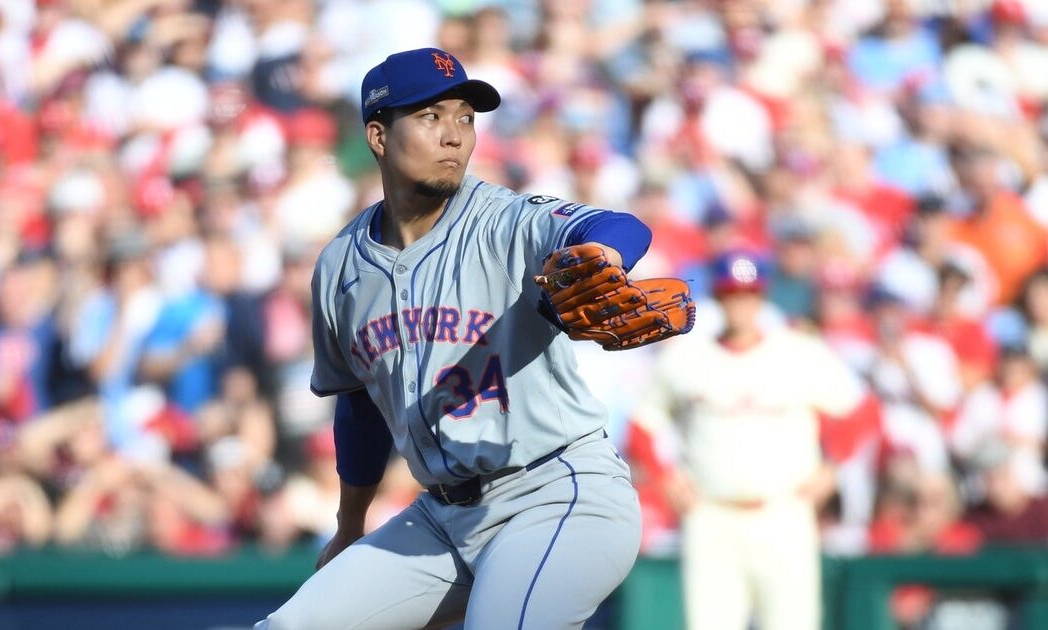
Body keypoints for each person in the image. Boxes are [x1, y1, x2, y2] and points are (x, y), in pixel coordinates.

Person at [256, 47, 658, 629]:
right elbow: (361, 404)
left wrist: (598, 260)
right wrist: (350, 525)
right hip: (442, 520)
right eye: (430, 117)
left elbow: (616, 226)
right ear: (377, 135)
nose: (454, 136)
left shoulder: (501, 221)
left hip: (557, 493)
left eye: (465, 118)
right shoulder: (341, 266)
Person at [633, 252, 865, 630]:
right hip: (710, 514)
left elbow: (858, 411)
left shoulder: (797, 352)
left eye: (748, 295)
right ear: (719, 298)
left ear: (761, 297)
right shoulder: (686, 358)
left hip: (784, 512)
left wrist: (832, 466)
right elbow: (642, 427)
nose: (741, 304)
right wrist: (665, 478)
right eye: (732, 294)